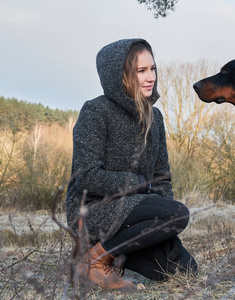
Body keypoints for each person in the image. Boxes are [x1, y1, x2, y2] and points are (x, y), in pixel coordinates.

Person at [65, 38, 197, 289]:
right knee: (179, 213)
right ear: (120, 75)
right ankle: (94, 260)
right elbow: (86, 176)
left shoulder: (154, 117)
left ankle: (111, 252)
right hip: (93, 210)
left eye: (152, 68)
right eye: (141, 71)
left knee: (183, 270)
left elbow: (162, 176)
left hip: (136, 212)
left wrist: (163, 225)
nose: (151, 77)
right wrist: (139, 185)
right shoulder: (96, 111)